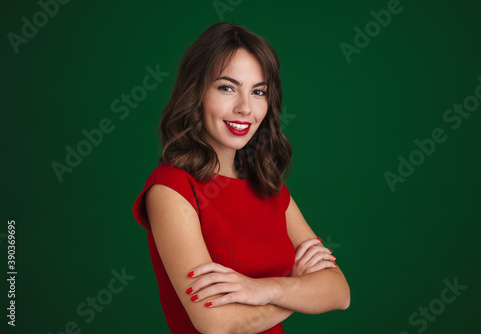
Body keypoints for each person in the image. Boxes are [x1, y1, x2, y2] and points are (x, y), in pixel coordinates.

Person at [132, 22, 350, 334]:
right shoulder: (171, 188)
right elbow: (217, 325)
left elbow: (339, 292)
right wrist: (296, 288)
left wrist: (265, 290)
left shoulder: (269, 187)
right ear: (196, 92)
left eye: (258, 91)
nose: (245, 108)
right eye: (227, 87)